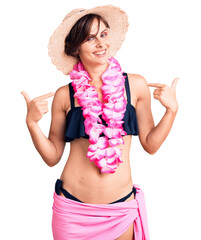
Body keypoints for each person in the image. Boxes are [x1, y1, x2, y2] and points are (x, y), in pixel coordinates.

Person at [21, 5, 179, 240]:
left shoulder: (135, 85)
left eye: (103, 35)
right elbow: (52, 156)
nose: (101, 44)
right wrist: (32, 124)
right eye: (90, 38)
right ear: (75, 47)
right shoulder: (66, 95)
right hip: (72, 211)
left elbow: (150, 144)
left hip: (120, 209)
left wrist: (172, 110)